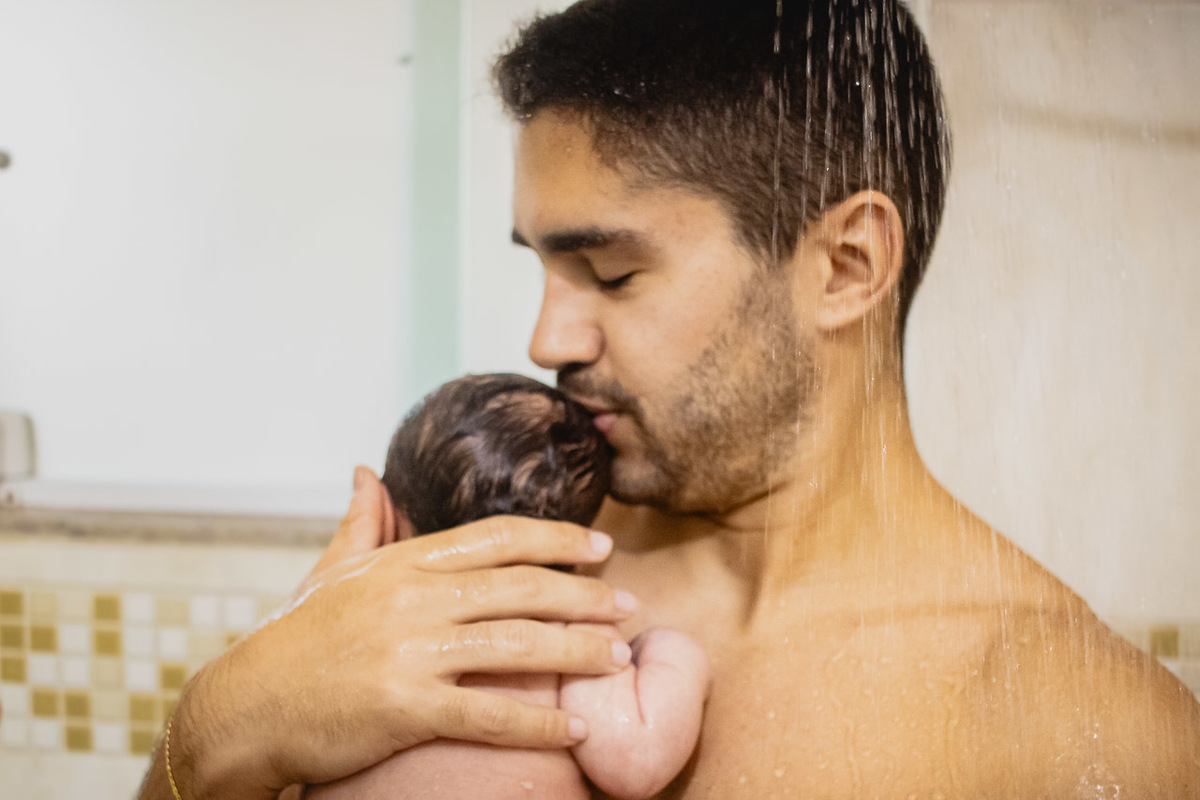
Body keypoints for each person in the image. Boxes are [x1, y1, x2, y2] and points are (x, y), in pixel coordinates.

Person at [139, 2, 1200, 798]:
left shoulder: (1082, 729)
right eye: (542, 271)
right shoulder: (488, 560)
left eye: (609, 273)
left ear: (845, 263)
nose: (546, 340)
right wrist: (217, 731)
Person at [304, 373, 708, 799]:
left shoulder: (350, 622)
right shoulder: (567, 633)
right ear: (575, 545)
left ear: (384, 513)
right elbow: (634, 762)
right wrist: (670, 650)